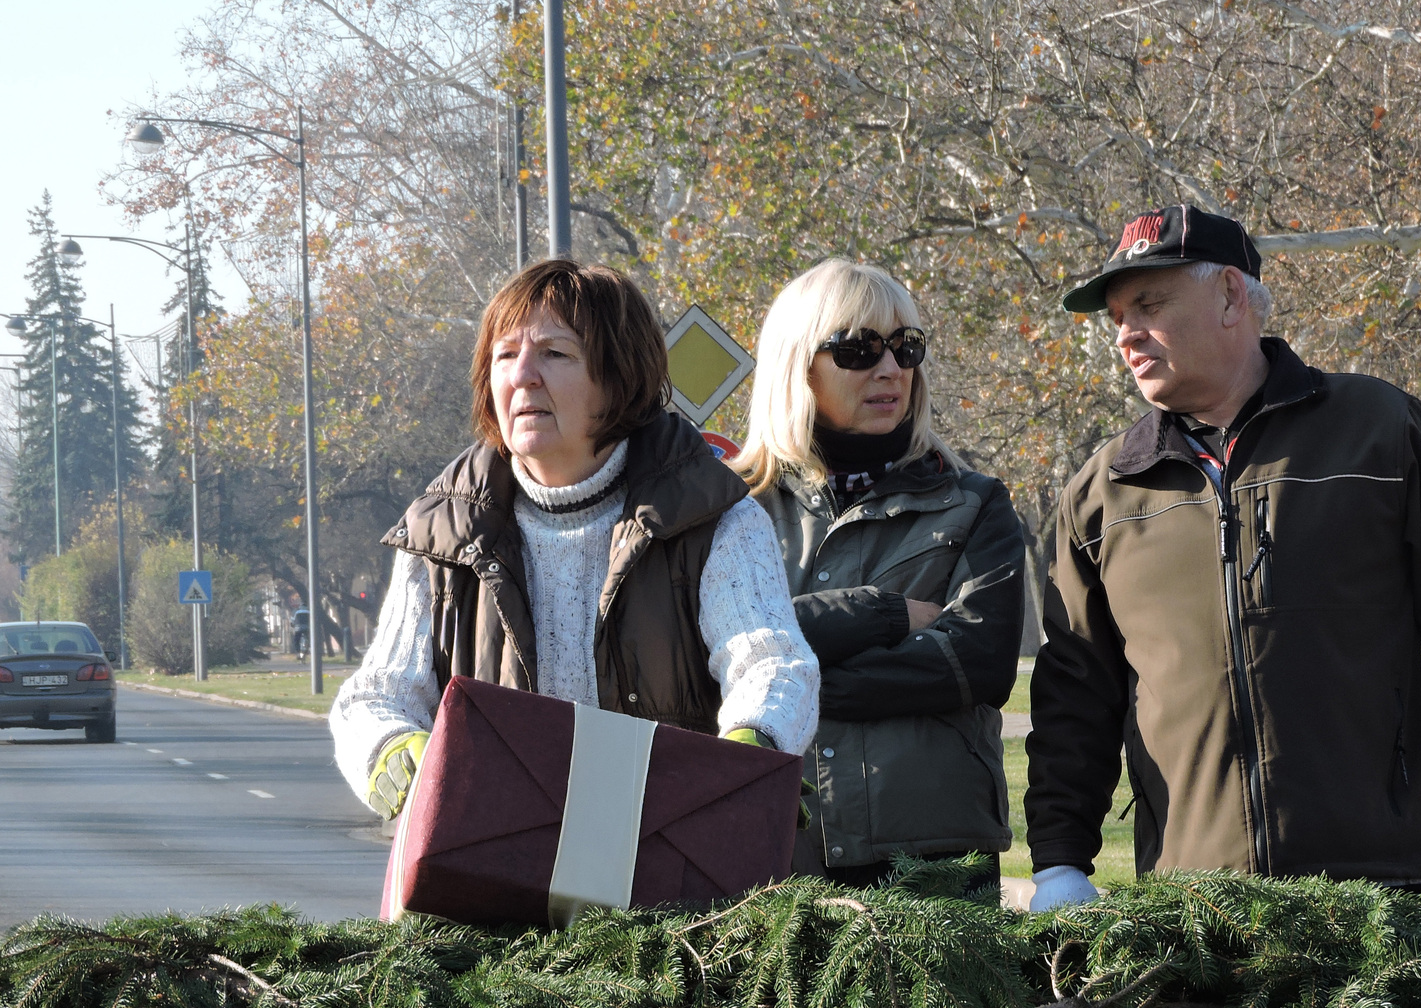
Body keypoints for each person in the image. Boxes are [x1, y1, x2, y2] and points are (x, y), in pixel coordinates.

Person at [1025, 205, 1421, 914]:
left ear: (1230, 297)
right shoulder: (1104, 492)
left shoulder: (1377, 431)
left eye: (1148, 305)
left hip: (1376, 889)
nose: (1125, 335)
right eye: (1117, 317)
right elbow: (1074, 696)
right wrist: (1060, 862)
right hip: (1193, 905)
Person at [331, 259, 819, 819]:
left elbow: (772, 665)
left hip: (665, 852)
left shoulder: (718, 520)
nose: (522, 376)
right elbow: (377, 696)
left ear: (620, 378)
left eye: (554, 353)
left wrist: (754, 745)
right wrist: (388, 744)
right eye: (504, 355)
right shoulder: (441, 534)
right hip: (487, 855)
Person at [733, 259, 1025, 887]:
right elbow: (719, 646)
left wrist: (782, 678)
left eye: (905, 347)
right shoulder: (732, 508)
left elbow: (976, 662)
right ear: (797, 365)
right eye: (858, 349)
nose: (891, 368)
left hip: (935, 861)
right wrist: (881, 615)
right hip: (773, 853)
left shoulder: (974, 502)